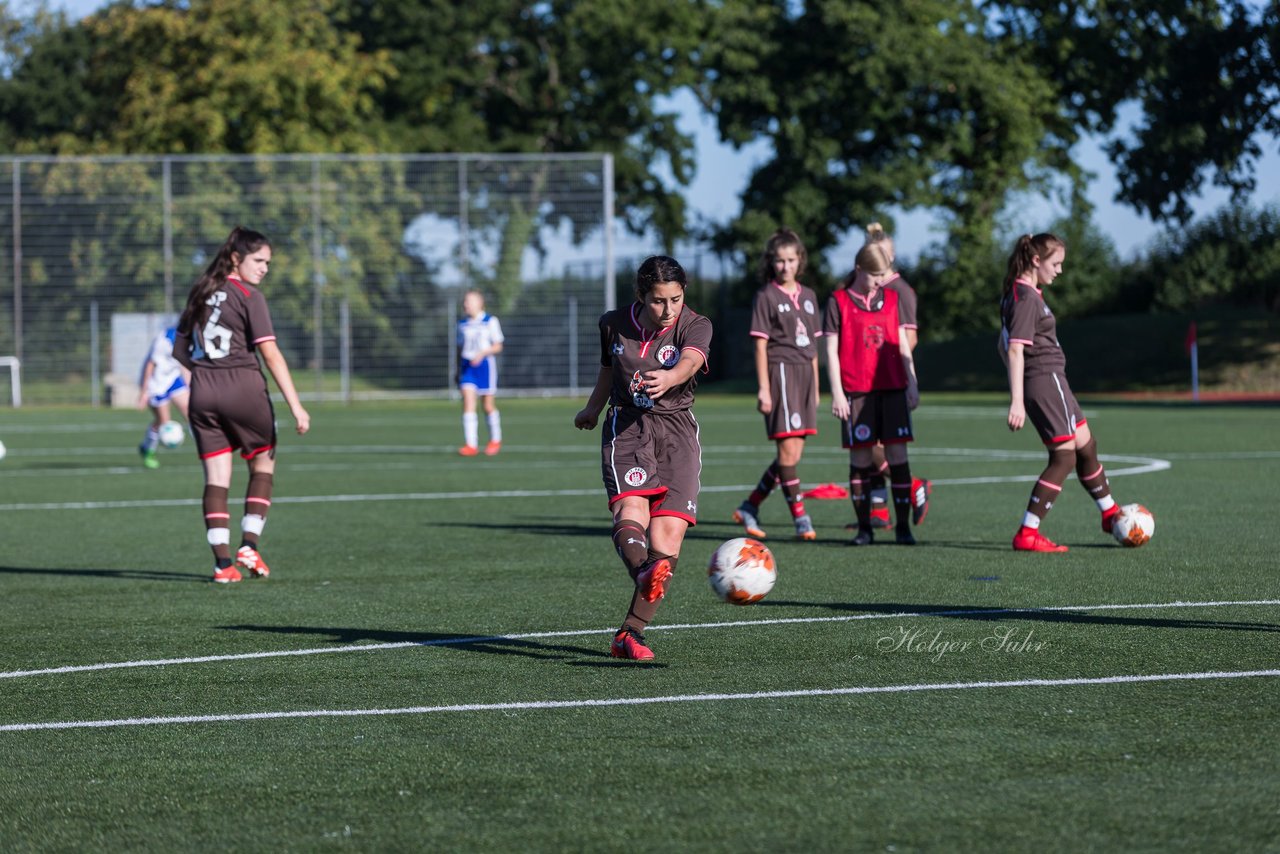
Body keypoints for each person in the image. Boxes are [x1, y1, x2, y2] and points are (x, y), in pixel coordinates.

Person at [574, 256, 711, 661]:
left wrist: (670, 377)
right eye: (657, 301)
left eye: (675, 299)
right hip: (628, 426)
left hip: (678, 432)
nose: (668, 310)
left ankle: (630, 634)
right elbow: (606, 369)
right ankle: (642, 571)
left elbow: (692, 360)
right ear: (640, 297)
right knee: (630, 509)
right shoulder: (612, 323)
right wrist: (592, 408)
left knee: (667, 539)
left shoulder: (695, 323)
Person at [173, 227, 311, 583]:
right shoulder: (250, 296)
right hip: (244, 390)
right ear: (236, 258)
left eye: (268, 262)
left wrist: (206, 375)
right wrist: (297, 406)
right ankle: (249, 543)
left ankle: (221, 565)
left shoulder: (200, 290)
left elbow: (179, 350)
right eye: (259, 260)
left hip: (202, 393)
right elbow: (270, 355)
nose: (265, 268)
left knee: (216, 478)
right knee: (263, 462)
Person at [1000, 233, 1122, 552]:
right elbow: (1013, 349)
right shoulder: (1025, 298)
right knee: (1064, 456)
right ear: (1036, 261)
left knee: (1086, 445)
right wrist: (1017, 399)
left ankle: (1109, 512)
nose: (1060, 270)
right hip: (1044, 379)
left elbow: (1002, 344)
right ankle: (1027, 533)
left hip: (1052, 380)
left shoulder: (1021, 292)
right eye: (1056, 264)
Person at [823, 239, 920, 546]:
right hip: (856, 391)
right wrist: (837, 393)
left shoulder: (892, 298)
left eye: (883, 275)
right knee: (861, 459)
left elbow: (903, 343)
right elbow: (831, 351)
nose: (879, 281)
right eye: (875, 274)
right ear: (859, 269)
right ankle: (865, 529)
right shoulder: (837, 301)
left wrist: (912, 381)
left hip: (893, 388)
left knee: (897, 456)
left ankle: (903, 528)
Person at [733, 228, 821, 542]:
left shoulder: (809, 296)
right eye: (780, 260)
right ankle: (801, 518)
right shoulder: (766, 296)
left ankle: (750, 505)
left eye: (791, 260)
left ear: (800, 261)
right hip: (781, 373)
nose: (785, 266)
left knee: (793, 454)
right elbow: (760, 346)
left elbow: (812, 346)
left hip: (806, 377)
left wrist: (818, 388)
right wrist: (764, 388)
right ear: (772, 262)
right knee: (786, 451)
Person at [861, 224, 931, 529]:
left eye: (886, 253)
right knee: (868, 439)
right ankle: (879, 510)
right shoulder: (862, 284)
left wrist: (885, 363)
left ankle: (914, 484)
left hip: (888, 378)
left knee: (873, 444)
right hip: (864, 380)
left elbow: (909, 337)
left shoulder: (900, 289)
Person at [456, 289, 504, 456]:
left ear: (479, 303)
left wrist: (482, 353)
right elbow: (460, 347)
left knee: (487, 405)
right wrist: (457, 368)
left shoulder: (490, 321)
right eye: (465, 301)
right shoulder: (462, 324)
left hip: (485, 366)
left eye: (469, 301)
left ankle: (495, 440)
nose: (465, 304)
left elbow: (498, 345)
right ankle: (471, 444)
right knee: (468, 403)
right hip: (467, 367)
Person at [135, 325, 191, 469]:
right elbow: (150, 365)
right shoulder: (164, 340)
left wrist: (190, 387)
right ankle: (148, 449)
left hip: (172, 378)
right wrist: (143, 392)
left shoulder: (191, 340)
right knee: (162, 422)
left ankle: (204, 446)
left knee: (190, 411)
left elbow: (185, 365)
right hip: (156, 383)